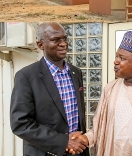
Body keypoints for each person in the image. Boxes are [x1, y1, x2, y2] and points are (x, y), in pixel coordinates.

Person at [10, 22, 89, 156]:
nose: (63, 44)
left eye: (64, 39)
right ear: (40, 45)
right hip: (45, 152)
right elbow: (20, 123)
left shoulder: (76, 73)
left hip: (77, 151)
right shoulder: (26, 76)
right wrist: (64, 141)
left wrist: (78, 142)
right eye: (55, 40)